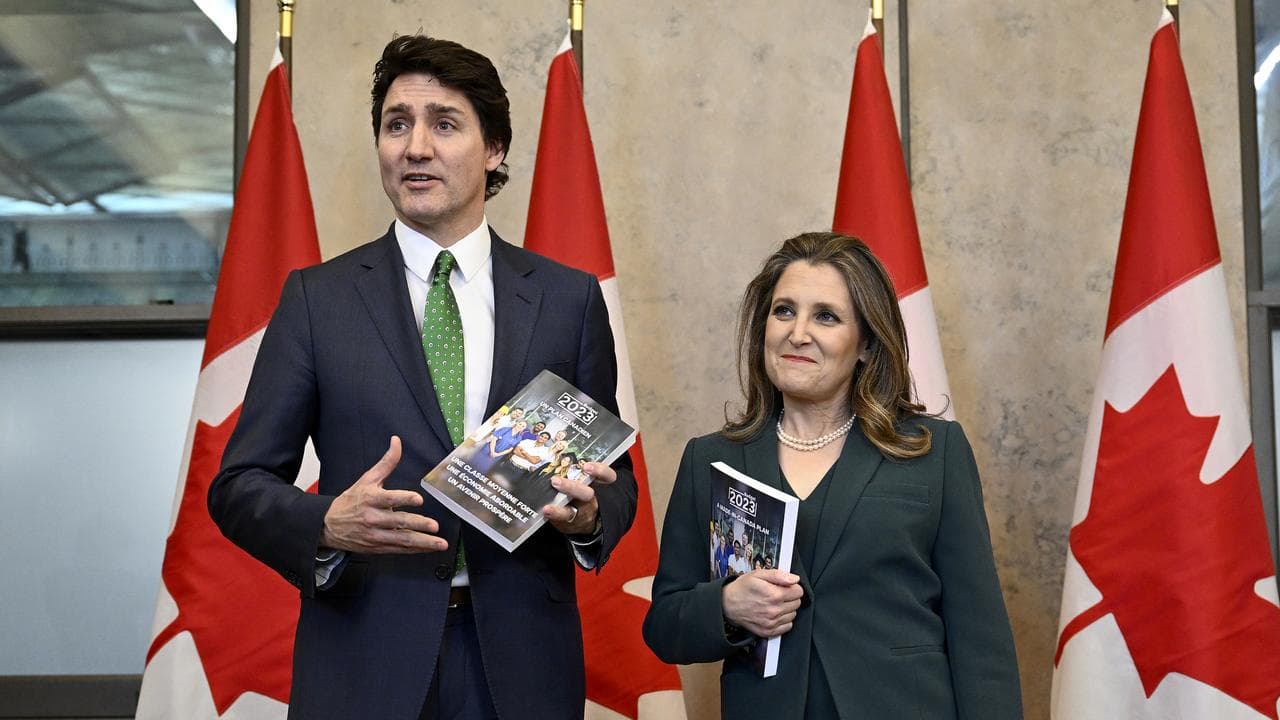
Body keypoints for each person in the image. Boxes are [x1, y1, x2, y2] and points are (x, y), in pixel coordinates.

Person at [208, 34, 637, 720]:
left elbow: (618, 484)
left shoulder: (567, 300)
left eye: (444, 124)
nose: (415, 147)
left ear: (493, 149)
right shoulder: (318, 300)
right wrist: (325, 522)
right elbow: (238, 486)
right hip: (363, 657)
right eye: (396, 124)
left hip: (520, 663)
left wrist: (589, 517)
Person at [642, 232, 1022, 718]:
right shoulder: (710, 459)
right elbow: (664, 625)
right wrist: (726, 606)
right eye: (784, 311)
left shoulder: (933, 450)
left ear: (865, 344)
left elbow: (980, 633)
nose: (797, 332)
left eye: (826, 316)